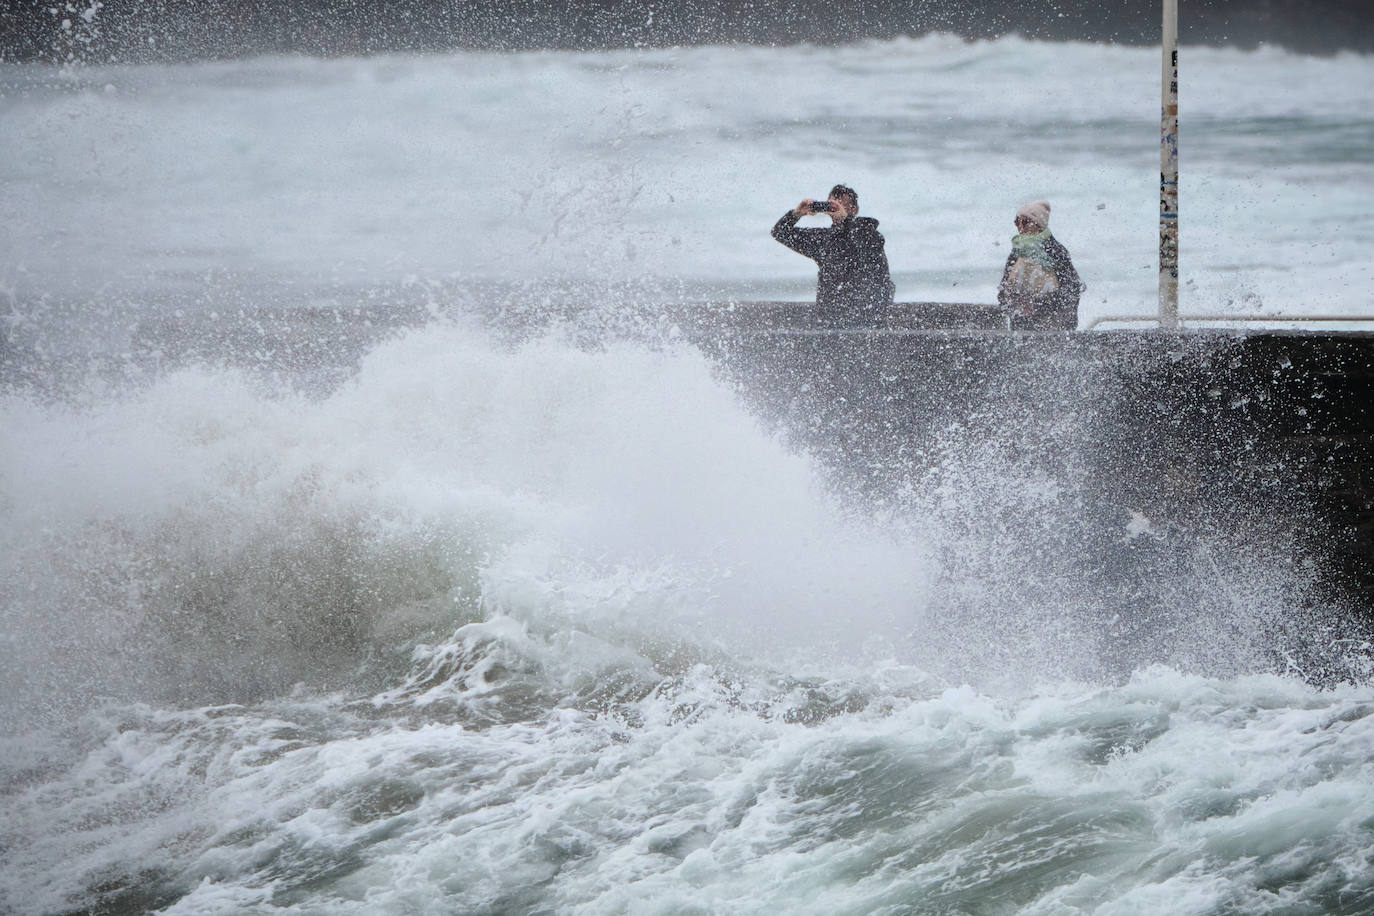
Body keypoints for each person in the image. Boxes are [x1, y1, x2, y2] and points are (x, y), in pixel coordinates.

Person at [771, 184, 895, 326]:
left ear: (855, 210)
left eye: (842, 204)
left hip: (867, 319)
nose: (837, 208)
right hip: (830, 321)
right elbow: (780, 232)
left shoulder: (869, 234)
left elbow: (863, 246)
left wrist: (846, 220)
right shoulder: (823, 239)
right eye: (833, 205)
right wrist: (797, 214)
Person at [997, 200, 1084, 331]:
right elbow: (1003, 290)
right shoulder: (1017, 252)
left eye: (1025, 222)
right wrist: (1015, 304)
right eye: (1017, 222)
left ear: (1038, 224)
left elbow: (1072, 289)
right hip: (1022, 326)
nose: (1020, 227)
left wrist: (1037, 306)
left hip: (1056, 326)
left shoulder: (1056, 252)